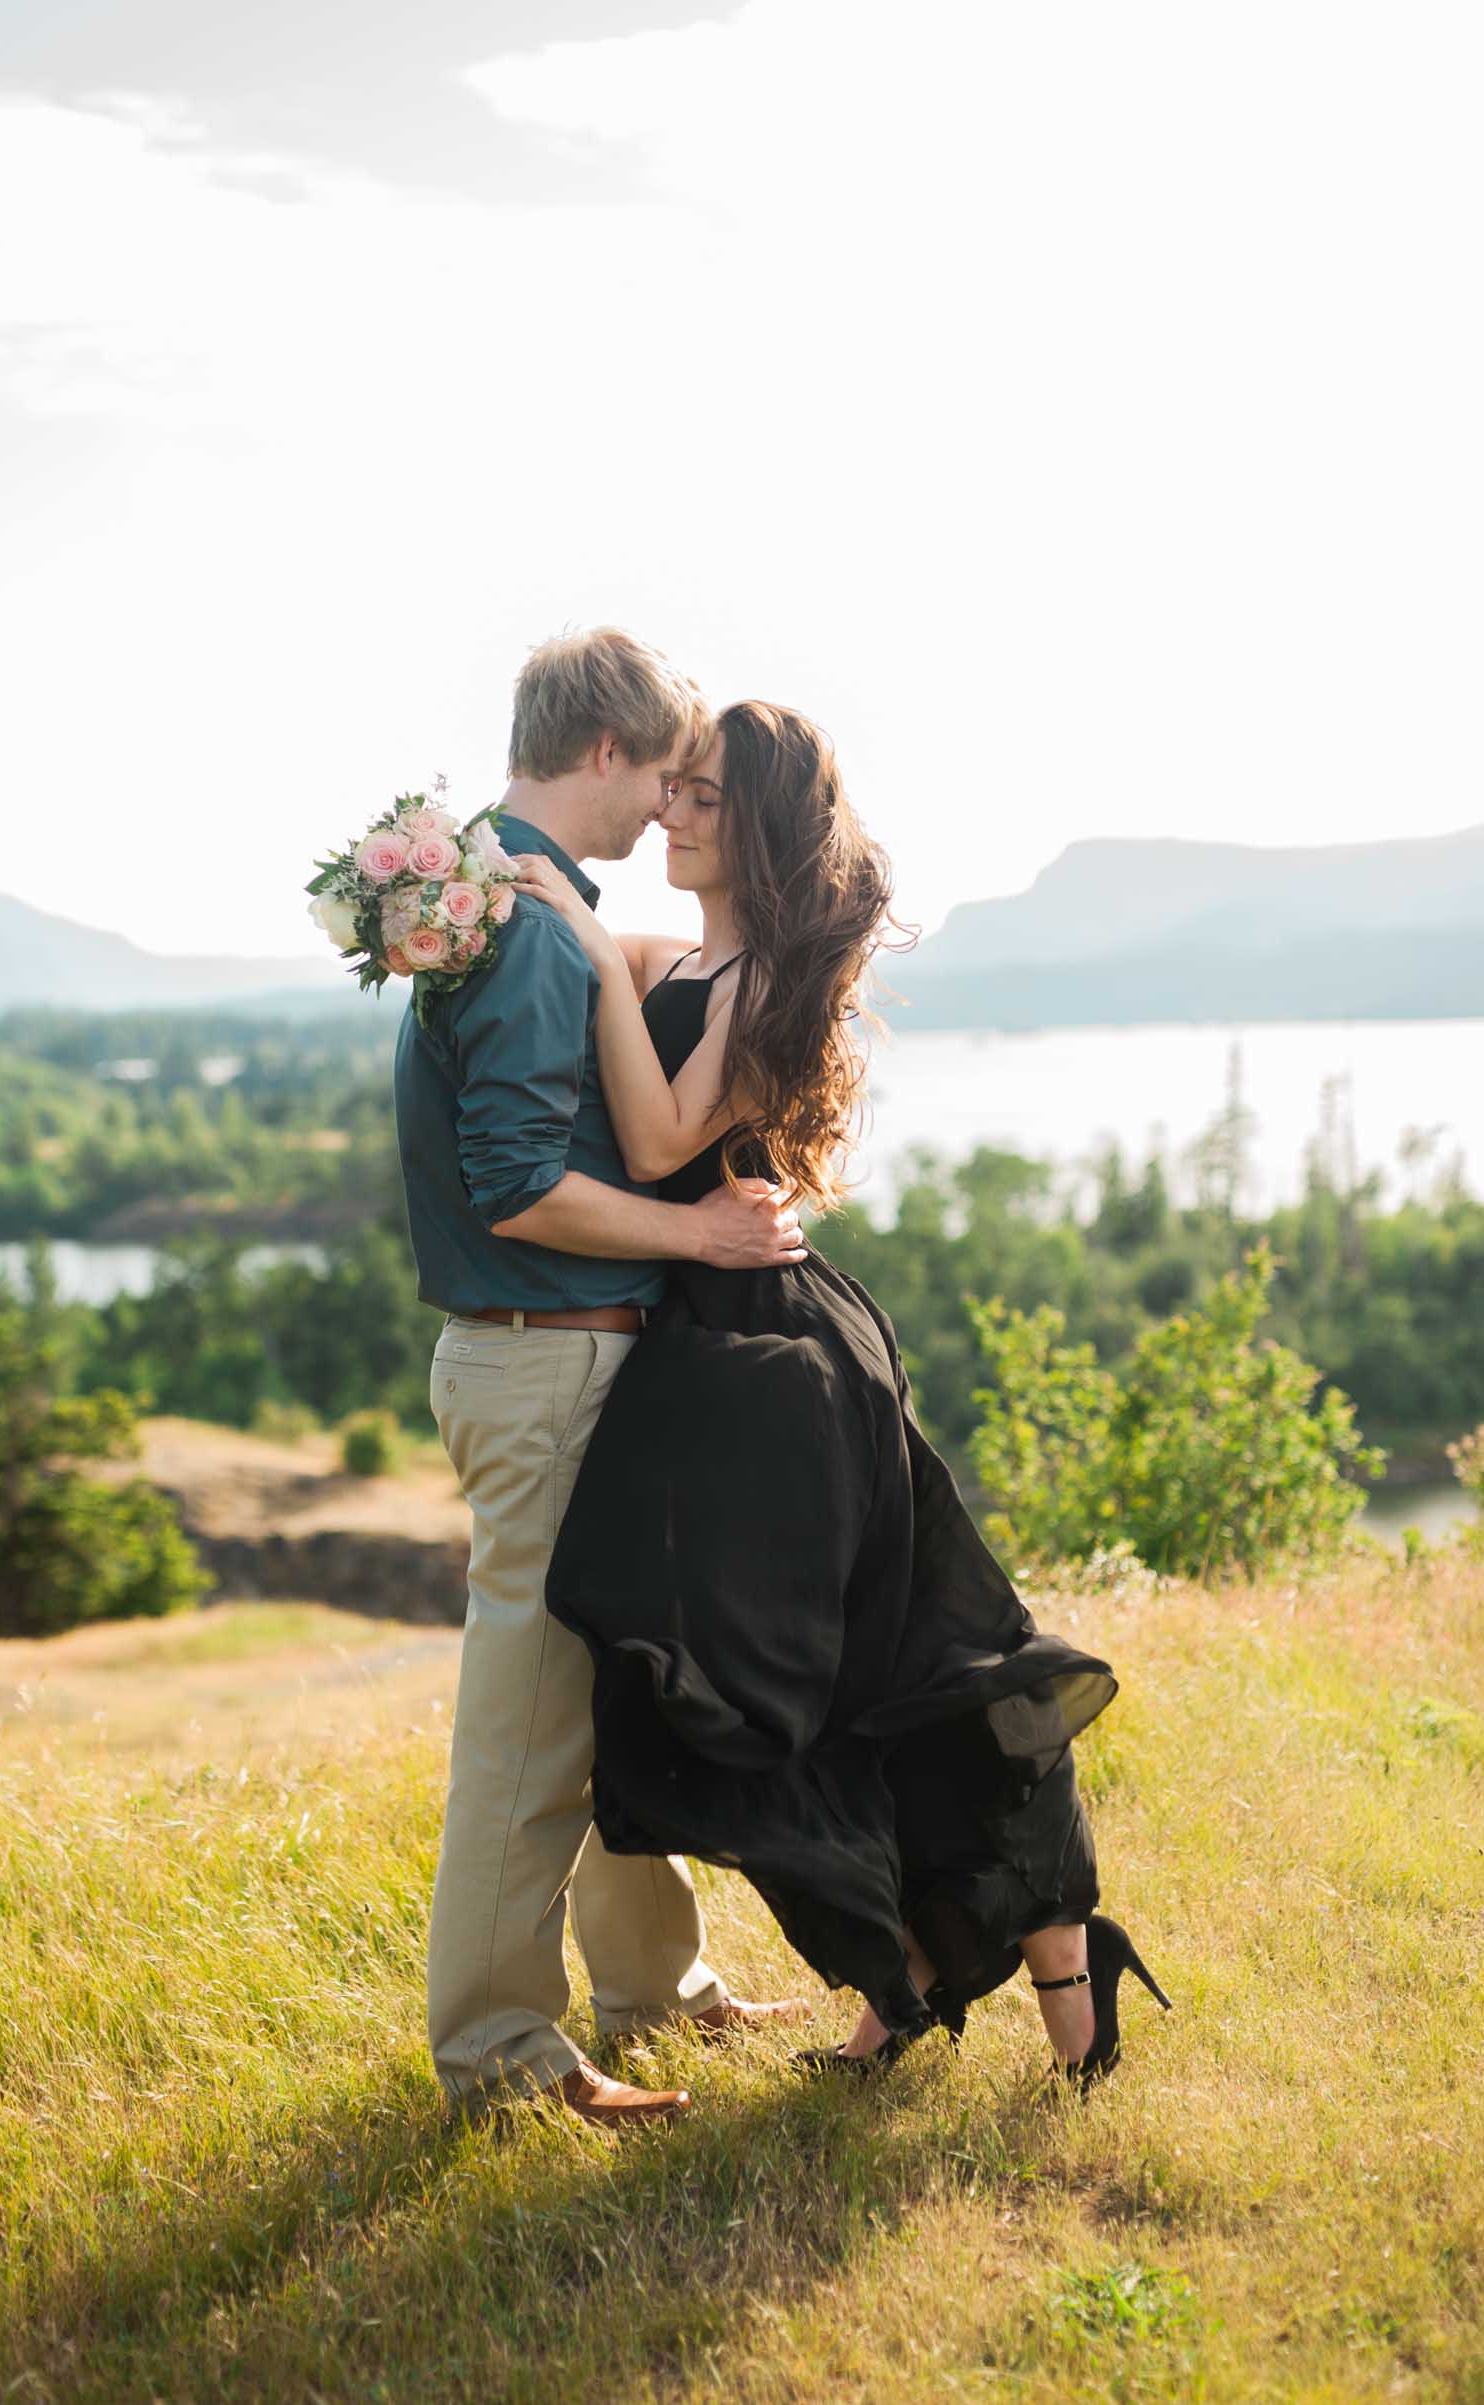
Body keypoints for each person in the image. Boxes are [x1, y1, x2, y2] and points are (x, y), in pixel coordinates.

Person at [514, 700, 1171, 2082]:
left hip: (777, 1361)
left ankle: (1029, 1948)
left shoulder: (759, 981)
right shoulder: (706, 953)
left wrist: (579, 943)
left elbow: (649, 1133)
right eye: (672, 789)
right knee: (858, 1668)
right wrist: (539, 912)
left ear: (755, 820)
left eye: (700, 795)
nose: (673, 813)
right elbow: (612, 969)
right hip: (734, 1347)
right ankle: (943, 1966)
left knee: (882, 1665)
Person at [394, 630, 810, 2130]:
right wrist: (697, 1224)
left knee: (624, 1692)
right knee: (533, 1730)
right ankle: (503, 2048)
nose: (664, 812)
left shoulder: (515, 892)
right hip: (544, 1360)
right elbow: (513, 1183)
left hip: (577, 1363)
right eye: (662, 777)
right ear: (603, 756)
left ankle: (656, 1989)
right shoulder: (511, 917)